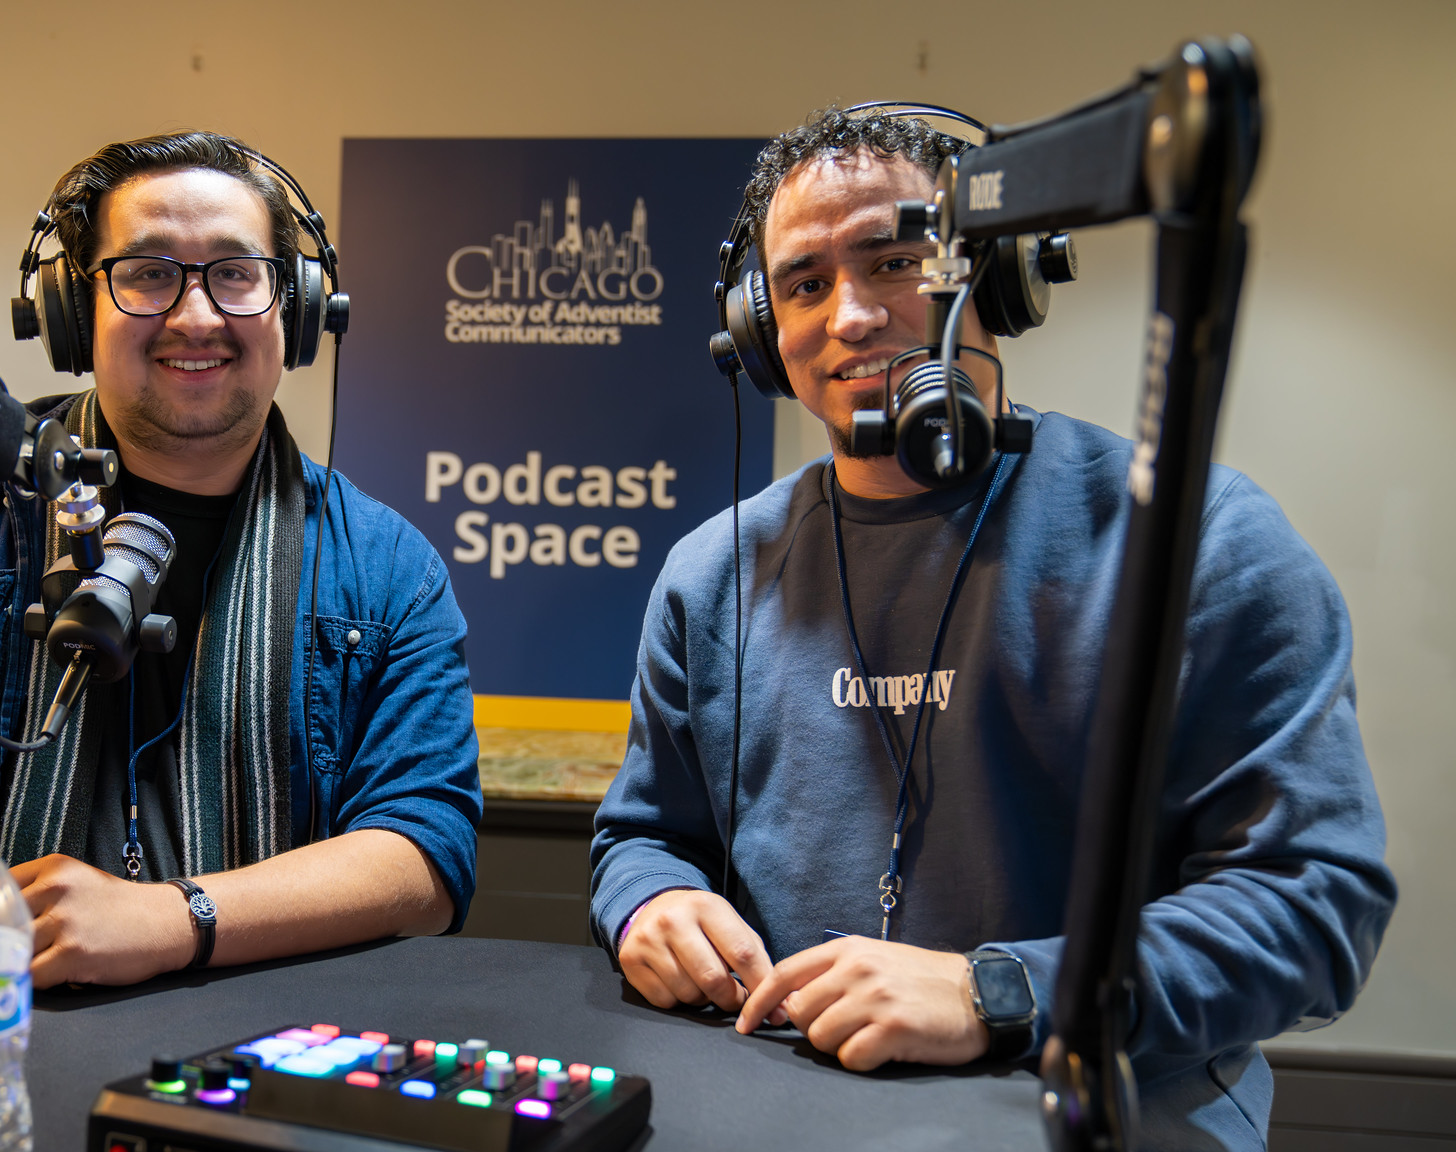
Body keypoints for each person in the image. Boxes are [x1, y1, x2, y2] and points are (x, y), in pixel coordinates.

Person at [589, 107, 1395, 1147]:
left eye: (893, 263)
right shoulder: (711, 575)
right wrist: (648, 901)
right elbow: (644, 835)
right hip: (786, 1113)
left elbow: (1313, 904)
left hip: (1092, 1117)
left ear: (999, 276)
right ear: (758, 331)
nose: (849, 316)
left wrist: (1001, 992)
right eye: (804, 285)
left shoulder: (1197, 537)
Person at [0, 132, 481, 1092]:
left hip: (263, 1065)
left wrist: (172, 917)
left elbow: (427, 854)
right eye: (147, 274)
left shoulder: (389, 567)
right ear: (74, 309)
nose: (196, 315)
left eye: (236, 274)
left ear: (298, 310)